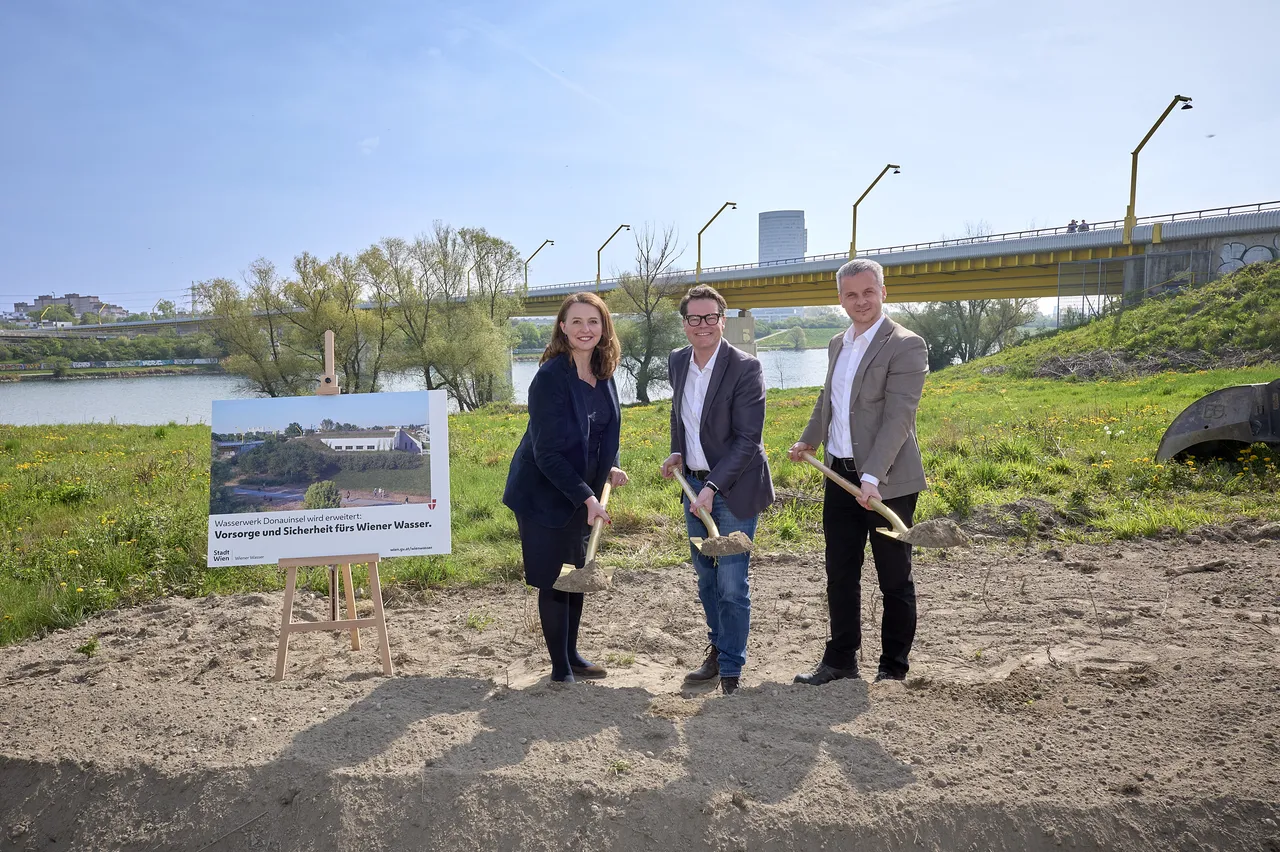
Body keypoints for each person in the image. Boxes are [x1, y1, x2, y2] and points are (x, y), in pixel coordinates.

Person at [788, 258, 928, 685]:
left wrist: (871, 478)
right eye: (851, 294)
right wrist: (810, 439)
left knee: (894, 577)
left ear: (883, 292)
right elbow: (827, 400)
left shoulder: (907, 344)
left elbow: (899, 418)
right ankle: (840, 661)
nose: (861, 301)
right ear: (840, 299)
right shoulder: (837, 343)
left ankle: (893, 668)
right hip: (838, 475)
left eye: (869, 292)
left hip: (887, 482)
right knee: (841, 571)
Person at [503, 292, 629, 684]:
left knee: (576, 574)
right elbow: (547, 453)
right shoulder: (549, 378)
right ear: (562, 327)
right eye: (576, 321)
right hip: (544, 494)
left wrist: (610, 466)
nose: (585, 329)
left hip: (581, 493)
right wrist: (587, 497)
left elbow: (604, 429)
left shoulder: (604, 372)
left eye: (593, 321)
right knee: (555, 579)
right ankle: (560, 669)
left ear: (603, 327)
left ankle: (572, 655)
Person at [660, 285, 774, 695]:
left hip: (735, 489)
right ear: (685, 323)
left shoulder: (745, 368)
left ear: (723, 321)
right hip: (693, 486)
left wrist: (711, 486)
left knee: (731, 580)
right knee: (705, 579)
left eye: (711, 318)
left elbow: (748, 440)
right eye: (695, 318)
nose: (703, 325)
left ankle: (730, 668)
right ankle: (717, 648)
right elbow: (681, 414)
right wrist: (677, 452)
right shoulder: (677, 361)